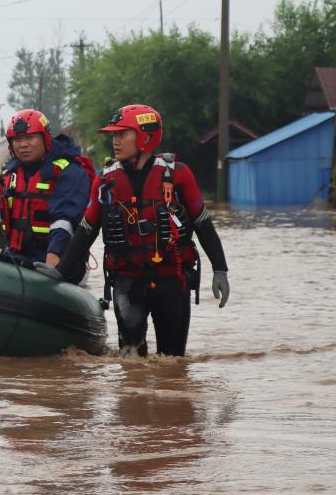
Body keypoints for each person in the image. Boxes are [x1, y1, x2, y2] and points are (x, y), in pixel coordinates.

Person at [40, 104, 230, 357]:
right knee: (131, 362)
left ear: (146, 137)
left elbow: (203, 224)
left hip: (171, 280)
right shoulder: (104, 180)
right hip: (127, 281)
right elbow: (86, 231)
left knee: (173, 364)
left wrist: (220, 270)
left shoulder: (178, 175)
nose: (115, 141)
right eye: (113, 135)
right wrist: (60, 271)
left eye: (122, 134)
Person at [0, 109, 91, 281]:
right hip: (17, 258)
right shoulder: (8, 174)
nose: (23, 144)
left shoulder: (69, 172)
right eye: (17, 139)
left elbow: (65, 220)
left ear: (45, 138)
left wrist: (52, 261)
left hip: (59, 261)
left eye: (30, 137)